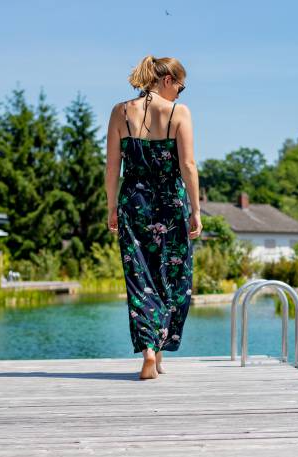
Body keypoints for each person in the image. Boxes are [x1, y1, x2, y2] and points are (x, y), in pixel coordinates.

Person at [105, 55, 202, 380]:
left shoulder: (120, 112)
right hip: (170, 207)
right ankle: (155, 350)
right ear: (167, 80)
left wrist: (111, 207)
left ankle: (151, 352)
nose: (181, 93)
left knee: (140, 279)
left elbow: (111, 168)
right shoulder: (178, 113)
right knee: (172, 279)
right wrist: (196, 210)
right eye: (181, 86)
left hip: (133, 204)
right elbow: (188, 166)